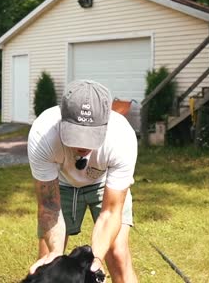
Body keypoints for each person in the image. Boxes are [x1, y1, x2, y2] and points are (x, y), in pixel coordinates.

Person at [27, 80, 138, 283]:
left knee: (118, 254)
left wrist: (96, 258)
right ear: (63, 119)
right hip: (61, 183)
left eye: (90, 136)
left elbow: (111, 212)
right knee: (48, 261)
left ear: (106, 122)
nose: (82, 144)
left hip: (104, 181)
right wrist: (55, 254)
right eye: (76, 134)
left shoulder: (122, 138)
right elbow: (49, 207)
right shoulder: (43, 134)